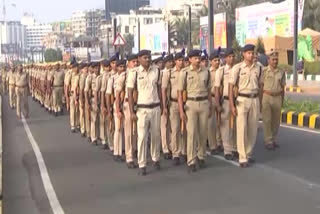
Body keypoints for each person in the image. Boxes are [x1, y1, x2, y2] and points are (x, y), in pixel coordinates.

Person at [127, 50, 162, 176]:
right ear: (139, 59)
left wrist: (162, 106)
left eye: (149, 57)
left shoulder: (156, 70)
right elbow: (130, 93)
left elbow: (159, 88)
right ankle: (142, 164)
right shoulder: (134, 73)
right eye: (145, 58)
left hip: (155, 107)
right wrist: (131, 111)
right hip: (142, 109)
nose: (148, 60)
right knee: (142, 137)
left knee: (156, 135)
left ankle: (156, 158)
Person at [178, 49, 213, 173]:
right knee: (191, 133)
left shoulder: (206, 72)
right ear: (190, 60)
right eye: (195, 58)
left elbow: (209, 91)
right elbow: (180, 92)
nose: (198, 60)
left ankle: (201, 156)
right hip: (190, 104)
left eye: (199, 58)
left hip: (203, 103)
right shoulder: (185, 73)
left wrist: (211, 106)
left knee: (203, 132)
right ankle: (191, 160)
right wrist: (181, 110)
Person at [229, 44, 263, 168]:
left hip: (254, 99)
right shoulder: (237, 68)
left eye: (252, 53)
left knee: (253, 129)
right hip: (242, 100)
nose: (251, 55)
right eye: (248, 53)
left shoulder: (259, 68)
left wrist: (260, 102)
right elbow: (231, 86)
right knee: (241, 129)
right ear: (243, 54)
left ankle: (248, 154)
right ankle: (242, 157)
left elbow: (261, 86)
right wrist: (232, 105)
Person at [162, 50, 186, 165]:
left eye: (182, 60)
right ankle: (175, 153)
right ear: (175, 61)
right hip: (174, 103)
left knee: (186, 129)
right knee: (175, 129)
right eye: (179, 60)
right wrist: (164, 105)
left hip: (186, 103)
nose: (181, 62)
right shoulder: (169, 73)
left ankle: (185, 150)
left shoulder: (186, 72)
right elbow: (164, 89)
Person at [115, 54, 139, 168]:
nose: (136, 64)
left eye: (136, 61)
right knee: (128, 132)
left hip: (139, 104)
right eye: (133, 62)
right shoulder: (124, 76)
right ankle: (129, 157)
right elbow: (118, 94)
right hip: (127, 104)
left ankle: (136, 151)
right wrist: (118, 110)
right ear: (128, 63)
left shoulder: (139, 73)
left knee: (137, 131)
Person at [215, 48, 238, 160]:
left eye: (233, 56)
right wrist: (218, 104)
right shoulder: (221, 71)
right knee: (225, 126)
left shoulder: (239, 68)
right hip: (226, 100)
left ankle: (235, 148)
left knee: (236, 126)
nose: (232, 58)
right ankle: (227, 150)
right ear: (225, 58)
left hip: (237, 100)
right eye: (229, 56)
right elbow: (217, 87)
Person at [261, 51, 285, 150]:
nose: (275, 61)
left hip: (277, 97)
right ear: (268, 60)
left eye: (276, 60)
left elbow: (283, 87)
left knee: (276, 121)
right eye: (273, 59)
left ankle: (273, 139)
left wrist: (282, 100)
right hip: (266, 96)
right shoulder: (264, 71)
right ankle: (268, 140)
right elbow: (260, 86)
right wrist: (259, 100)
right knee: (267, 120)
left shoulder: (281, 72)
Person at [112, 59, 127, 161]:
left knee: (124, 129)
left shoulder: (126, 76)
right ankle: (116, 152)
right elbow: (116, 95)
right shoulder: (114, 78)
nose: (122, 69)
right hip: (118, 104)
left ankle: (122, 150)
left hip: (125, 104)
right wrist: (118, 110)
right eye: (120, 67)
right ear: (117, 68)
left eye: (123, 67)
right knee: (117, 129)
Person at [160, 54, 174, 160]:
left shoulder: (173, 72)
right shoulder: (163, 73)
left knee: (171, 126)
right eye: (169, 62)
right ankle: (165, 148)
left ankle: (171, 146)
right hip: (164, 102)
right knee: (164, 126)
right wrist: (163, 106)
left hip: (171, 102)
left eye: (172, 61)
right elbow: (162, 91)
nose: (171, 63)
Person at [207, 52, 221, 155]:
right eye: (215, 60)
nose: (217, 62)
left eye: (218, 60)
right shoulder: (207, 72)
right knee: (211, 123)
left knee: (220, 122)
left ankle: (219, 142)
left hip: (221, 98)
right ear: (210, 61)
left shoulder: (222, 70)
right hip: (211, 98)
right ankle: (212, 145)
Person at [105, 54, 119, 153]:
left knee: (118, 127)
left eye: (116, 62)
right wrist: (106, 106)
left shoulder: (123, 74)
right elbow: (105, 93)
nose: (115, 65)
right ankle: (111, 144)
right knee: (111, 125)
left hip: (119, 103)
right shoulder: (108, 76)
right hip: (110, 101)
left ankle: (118, 145)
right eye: (113, 63)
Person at [99, 60, 111, 149]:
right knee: (104, 122)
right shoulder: (104, 77)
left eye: (109, 66)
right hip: (104, 101)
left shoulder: (112, 75)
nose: (108, 68)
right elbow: (102, 91)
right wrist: (103, 105)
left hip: (110, 101)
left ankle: (111, 143)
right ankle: (104, 140)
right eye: (106, 67)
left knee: (110, 124)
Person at [78, 63, 89, 136]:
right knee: (82, 114)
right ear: (82, 70)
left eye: (87, 68)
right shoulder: (82, 77)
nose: (86, 70)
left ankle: (88, 131)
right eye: (85, 69)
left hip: (87, 98)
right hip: (82, 98)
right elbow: (81, 90)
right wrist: (81, 101)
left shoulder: (88, 76)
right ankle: (83, 129)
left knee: (87, 115)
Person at [69, 62, 80, 133]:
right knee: (72, 110)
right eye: (74, 68)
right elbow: (68, 84)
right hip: (72, 94)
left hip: (78, 94)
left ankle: (78, 124)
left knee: (78, 111)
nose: (75, 69)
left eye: (76, 67)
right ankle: (73, 125)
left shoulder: (79, 75)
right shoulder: (71, 75)